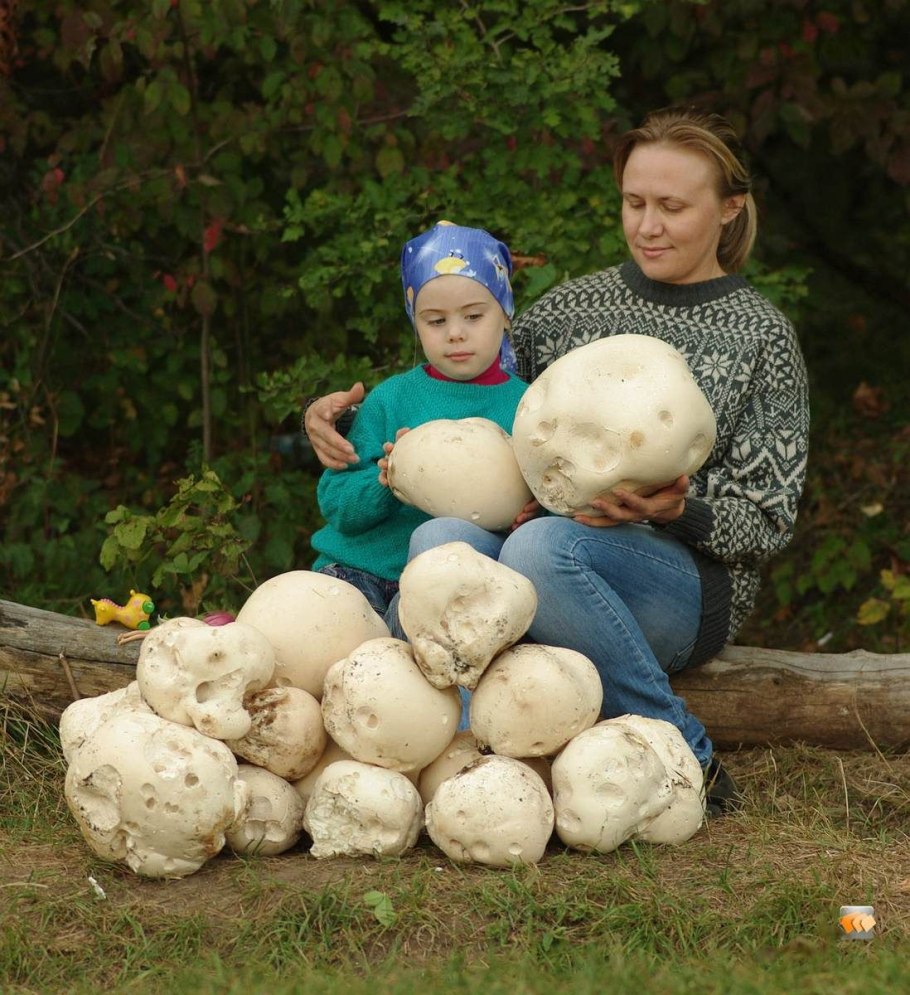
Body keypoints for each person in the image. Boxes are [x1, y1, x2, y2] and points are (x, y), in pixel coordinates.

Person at [304, 107, 811, 817]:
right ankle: (451, 749)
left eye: (672, 206)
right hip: (540, 548)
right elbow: (465, 406)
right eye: (634, 203)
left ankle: (682, 746)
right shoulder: (572, 309)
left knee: (544, 546)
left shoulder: (761, 337)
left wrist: (678, 509)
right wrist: (343, 425)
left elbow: (767, 522)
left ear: (730, 209)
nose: (648, 225)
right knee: (438, 541)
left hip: (679, 583)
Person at [309, 221, 529, 617]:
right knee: (328, 634)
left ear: (506, 314)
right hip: (359, 572)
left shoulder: (526, 407)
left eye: (474, 316)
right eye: (436, 321)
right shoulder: (391, 398)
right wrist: (388, 480)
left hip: (455, 592)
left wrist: (528, 513)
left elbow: (544, 497)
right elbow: (336, 504)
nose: (456, 334)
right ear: (415, 322)